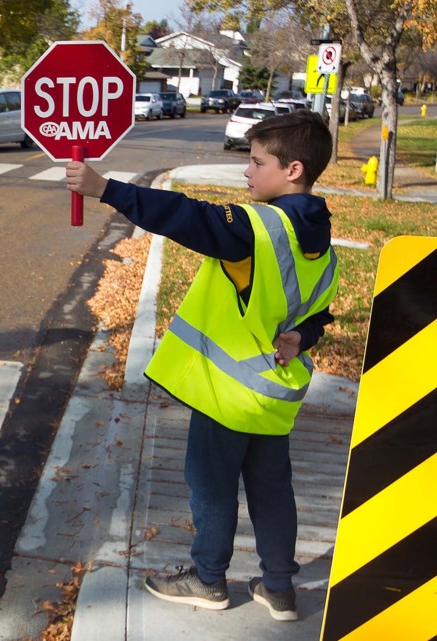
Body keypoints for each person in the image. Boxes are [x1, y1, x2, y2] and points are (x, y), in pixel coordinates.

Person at [66, 110, 339, 622]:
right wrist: (302, 337)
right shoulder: (321, 242)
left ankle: (209, 580)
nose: (247, 173)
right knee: (272, 490)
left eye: (258, 163)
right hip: (271, 396)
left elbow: (186, 216)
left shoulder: (257, 230)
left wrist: (105, 187)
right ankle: (279, 589)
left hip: (227, 392)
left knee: (211, 484)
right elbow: (318, 313)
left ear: (293, 170)